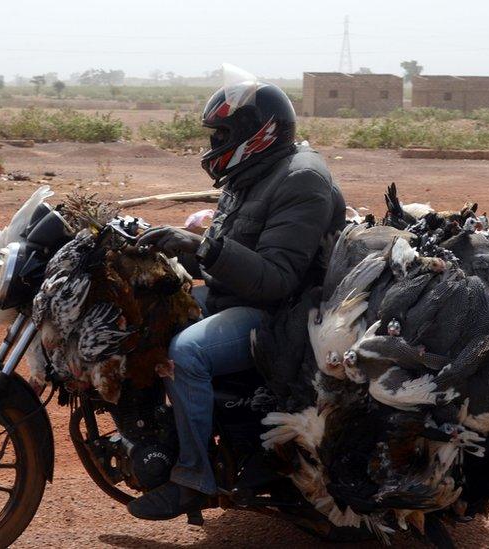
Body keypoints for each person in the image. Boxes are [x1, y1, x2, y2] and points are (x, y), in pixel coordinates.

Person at [129, 80, 346, 520]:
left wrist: (199, 247)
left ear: (256, 132)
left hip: (282, 314)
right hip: (236, 293)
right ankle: (160, 433)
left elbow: (277, 278)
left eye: (221, 135)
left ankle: (193, 479)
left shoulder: (301, 178)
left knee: (186, 352)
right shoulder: (252, 171)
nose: (214, 145)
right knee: (146, 316)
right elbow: (230, 248)